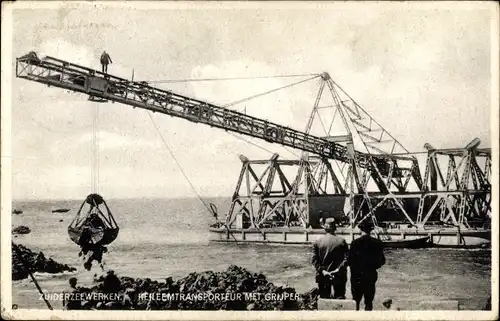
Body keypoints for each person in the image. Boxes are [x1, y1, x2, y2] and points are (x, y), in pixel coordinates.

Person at [348, 220, 386, 311]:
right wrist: (373, 266)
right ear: (370, 230)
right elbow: (382, 261)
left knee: (356, 301)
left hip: (357, 277)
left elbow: (349, 261)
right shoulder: (377, 243)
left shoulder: (354, 243)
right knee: (369, 303)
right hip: (370, 276)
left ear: (360, 230)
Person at [312, 217, 349, 299]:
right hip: (339, 276)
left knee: (324, 299)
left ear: (325, 229)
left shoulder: (318, 242)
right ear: (335, 229)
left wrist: (323, 271)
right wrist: (338, 270)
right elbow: (347, 259)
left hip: (323, 275)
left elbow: (314, 260)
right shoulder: (341, 241)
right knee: (339, 299)